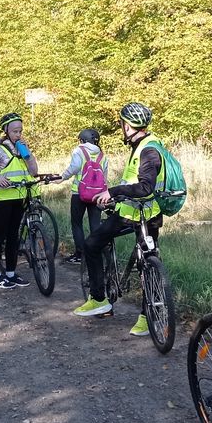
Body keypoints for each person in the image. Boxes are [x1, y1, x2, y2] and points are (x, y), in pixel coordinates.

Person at [72, 103, 165, 337]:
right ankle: (147, 317)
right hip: (147, 212)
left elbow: (145, 187)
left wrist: (111, 192)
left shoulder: (147, 150)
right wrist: (118, 195)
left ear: (128, 126)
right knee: (149, 262)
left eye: (123, 125)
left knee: (92, 244)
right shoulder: (149, 144)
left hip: (133, 214)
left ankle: (99, 299)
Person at [0, 112, 38, 289]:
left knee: (14, 237)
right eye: (14, 131)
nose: (18, 134)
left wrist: (28, 156)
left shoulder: (23, 148)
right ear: (6, 131)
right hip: (4, 198)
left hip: (19, 197)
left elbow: (34, 172)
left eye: (20, 131)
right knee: (0, 236)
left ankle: (11, 273)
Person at [57, 128, 108, 266]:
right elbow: (105, 176)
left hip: (79, 193)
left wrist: (62, 177)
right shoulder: (102, 155)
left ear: (82, 140)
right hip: (97, 194)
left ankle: (80, 254)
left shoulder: (79, 150)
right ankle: (97, 255)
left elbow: (74, 168)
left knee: (77, 223)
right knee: (95, 225)